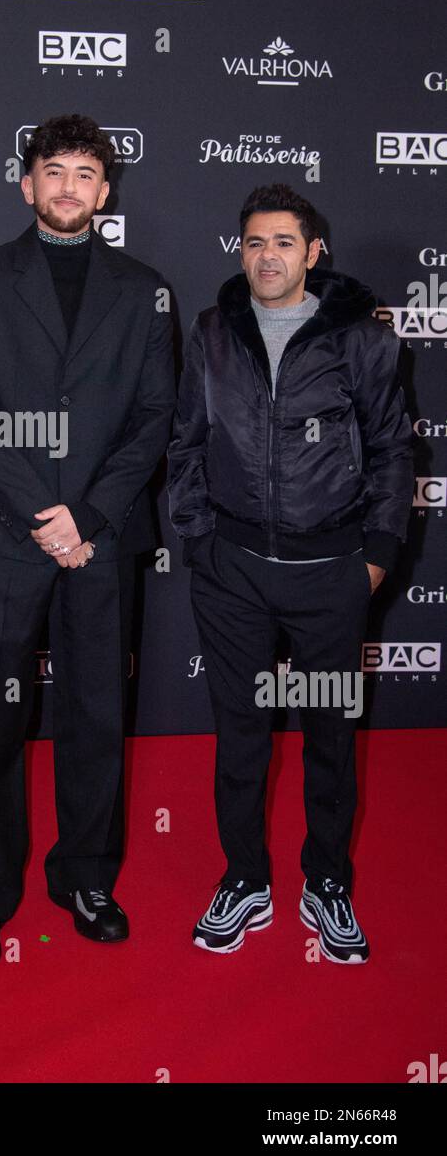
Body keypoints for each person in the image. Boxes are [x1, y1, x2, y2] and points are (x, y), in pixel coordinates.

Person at [0, 113, 176, 969]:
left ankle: (86, 876)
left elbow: (154, 418)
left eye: (85, 172)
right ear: (26, 182)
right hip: (8, 537)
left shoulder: (145, 288)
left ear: (106, 191)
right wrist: (45, 517)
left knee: (95, 714)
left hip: (104, 540)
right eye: (53, 170)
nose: (69, 186)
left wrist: (91, 516)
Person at [167, 182, 413, 963]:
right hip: (232, 572)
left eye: (282, 243)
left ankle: (327, 882)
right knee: (240, 737)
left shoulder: (365, 341)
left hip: (330, 575)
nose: (265, 257)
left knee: (329, 739)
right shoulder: (213, 332)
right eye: (253, 243)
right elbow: (184, 444)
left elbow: (394, 452)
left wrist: (375, 555)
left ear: (313, 252)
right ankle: (245, 879)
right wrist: (199, 542)